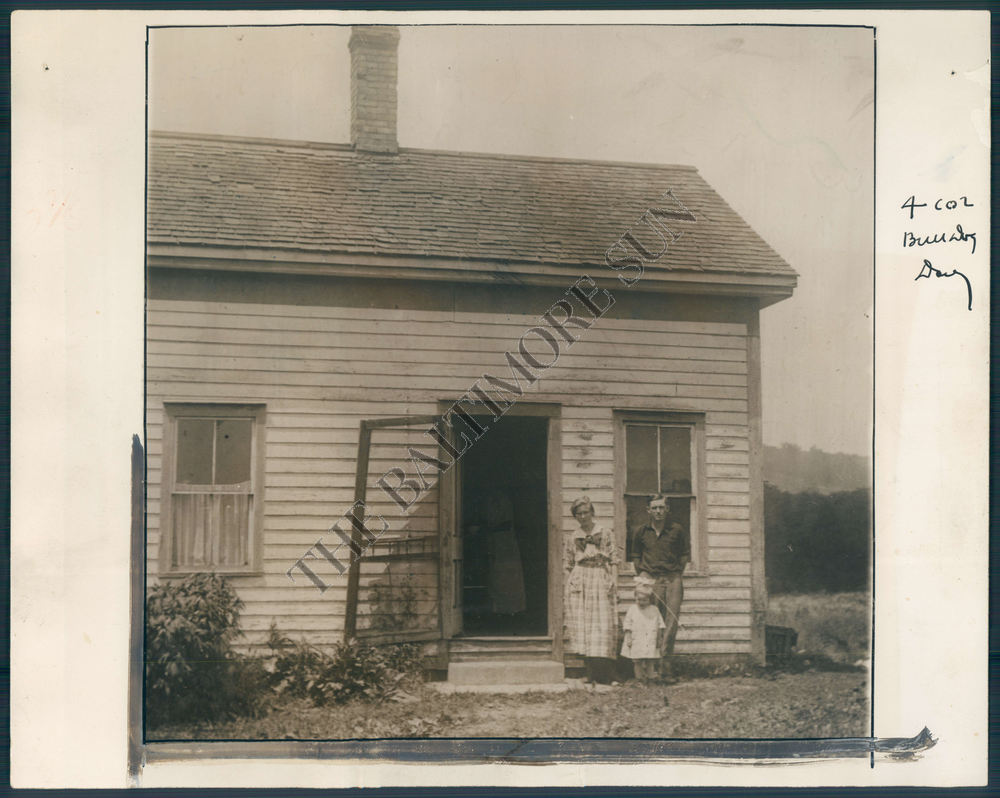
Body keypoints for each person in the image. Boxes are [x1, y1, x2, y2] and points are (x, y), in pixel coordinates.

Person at [630, 494, 690, 679]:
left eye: (661, 507)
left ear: (667, 509)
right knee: (650, 621)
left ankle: (666, 667)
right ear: (648, 510)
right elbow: (636, 555)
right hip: (650, 579)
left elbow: (684, 554)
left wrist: (677, 573)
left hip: (672, 579)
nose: (658, 511)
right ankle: (650, 668)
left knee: (670, 623)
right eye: (654, 508)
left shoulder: (676, 530)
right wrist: (643, 573)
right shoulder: (641, 531)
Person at [564, 496, 619, 685]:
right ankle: (590, 673)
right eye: (578, 514)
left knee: (602, 624)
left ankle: (605, 673)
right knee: (584, 625)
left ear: (592, 512)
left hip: (599, 575)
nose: (582, 516)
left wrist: (613, 579)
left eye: (586, 512)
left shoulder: (605, 532)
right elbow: (568, 564)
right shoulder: (573, 536)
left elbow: (613, 559)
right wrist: (570, 585)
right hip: (580, 579)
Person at [620, 583, 666, 683]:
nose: (641, 602)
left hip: (650, 639)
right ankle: (639, 679)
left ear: (650, 599)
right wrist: (628, 637)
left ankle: (650, 679)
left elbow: (660, 625)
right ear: (635, 598)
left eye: (644, 600)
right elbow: (627, 624)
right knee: (637, 661)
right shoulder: (632, 609)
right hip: (636, 639)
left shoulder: (654, 610)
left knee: (650, 660)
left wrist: (659, 638)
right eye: (638, 599)